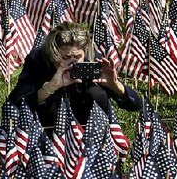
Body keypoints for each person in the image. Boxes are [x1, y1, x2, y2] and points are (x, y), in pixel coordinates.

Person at [8, 21, 142, 127]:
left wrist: (115, 86)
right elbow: (14, 105)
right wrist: (50, 88)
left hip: (89, 126)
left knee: (96, 93)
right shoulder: (38, 60)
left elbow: (136, 105)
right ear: (53, 54)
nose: (72, 62)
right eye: (65, 57)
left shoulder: (92, 60)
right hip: (49, 127)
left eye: (77, 57)